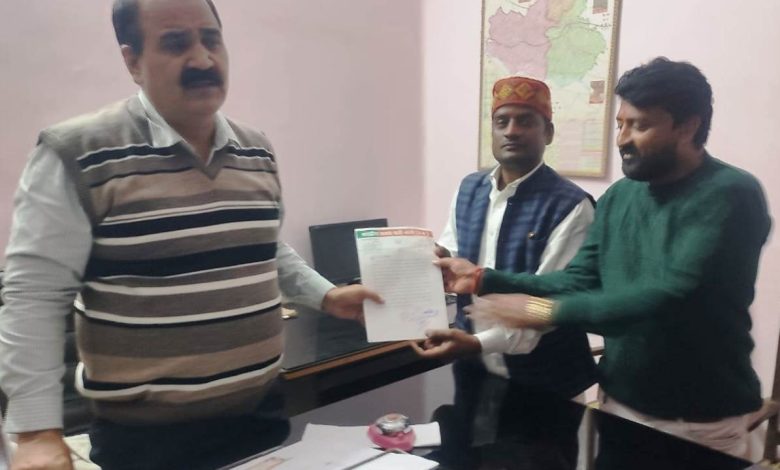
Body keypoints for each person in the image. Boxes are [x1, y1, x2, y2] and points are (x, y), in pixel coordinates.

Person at [0, 1, 381, 469]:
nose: (202, 59)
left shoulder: (256, 149)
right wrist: (36, 432)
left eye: (211, 39)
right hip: (148, 444)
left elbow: (262, 246)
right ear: (132, 61)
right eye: (176, 43)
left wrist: (327, 296)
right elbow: (33, 298)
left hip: (261, 419)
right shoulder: (77, 152)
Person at [432, 57, 771, 458]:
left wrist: (541, 310)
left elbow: (666, 296)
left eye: (639, 126)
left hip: (698, 421)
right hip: (619, 402)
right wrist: (483, 279)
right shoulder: (620, 196)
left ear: (687, 126)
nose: (622, 139)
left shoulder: (729, 193)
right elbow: (577, 278)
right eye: (620, 124)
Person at [415, 76, 597, 467]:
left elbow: (547, 308)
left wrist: (474, 343)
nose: (512, 131)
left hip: (544, 385)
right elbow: (454, 250)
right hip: (474, 374)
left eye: (526, 121)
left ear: (548, 132)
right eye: (502, 121)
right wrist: (432, 260)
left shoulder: (570, 205)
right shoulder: (470, 188)